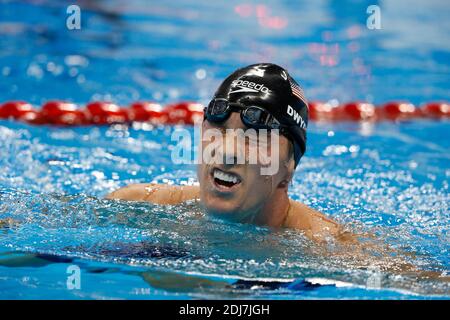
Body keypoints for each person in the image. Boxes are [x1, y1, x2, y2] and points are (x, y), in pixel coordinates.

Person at [106, 63, 351, 243]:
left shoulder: (326, 245)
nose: (226, 152)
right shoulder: (135, 207)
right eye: (218, 129)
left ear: (289, 166)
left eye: (255, 135)